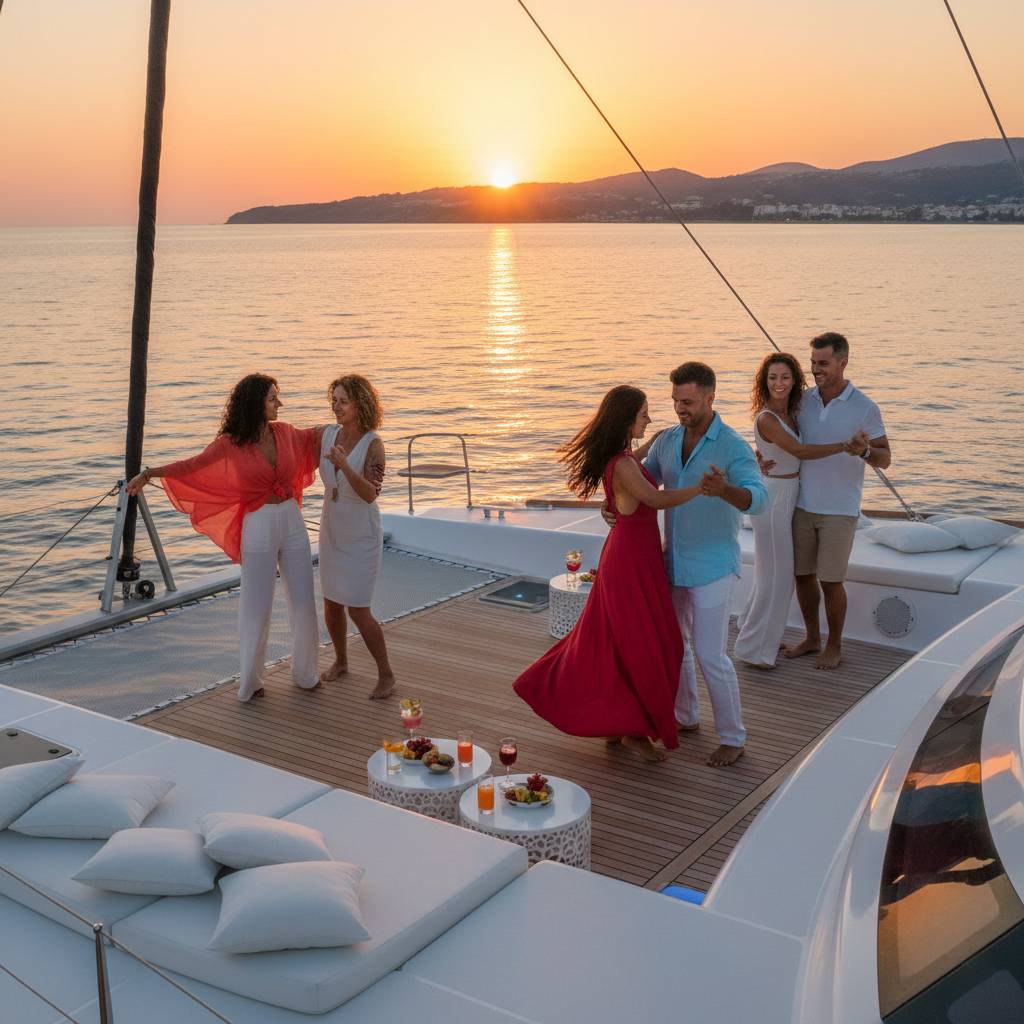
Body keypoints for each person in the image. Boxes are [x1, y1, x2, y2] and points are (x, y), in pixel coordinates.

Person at [513, 385, 700, 763]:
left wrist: (650, 447)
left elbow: (634, 472)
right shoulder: (625, 465)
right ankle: (635, 730)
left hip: (633, 557)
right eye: (644, 413)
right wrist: (704, 489)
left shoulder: (624, 458)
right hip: (630, 562)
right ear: (627, 419)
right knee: (648, 644)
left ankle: (618, 726)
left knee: (622, 643)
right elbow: (657, 499)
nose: (649, 418)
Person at [126, 374, 321, 702]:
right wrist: (150, 473)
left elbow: (318, 438)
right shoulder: (230, 443)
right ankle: (251, 681)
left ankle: (306, 673)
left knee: (303, 599)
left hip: (292, 522)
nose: (280, 404)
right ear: (255, 402)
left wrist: (354, 427)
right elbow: (193, 465)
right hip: (258, 525)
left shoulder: (286, 433)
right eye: (274, 398)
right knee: (256, 604)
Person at [632, 361, 769, 767]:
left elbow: (760, 499)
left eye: (688, 401)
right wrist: (615, 506)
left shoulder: (732, 446)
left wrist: (724, 489)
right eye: (675, 401)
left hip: (713, 567)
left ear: (710, 397)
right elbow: (641, 483)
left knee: (712, 655)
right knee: (676, 648)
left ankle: (733, 737)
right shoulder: (667, 440)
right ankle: (686, 716)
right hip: (672, 563)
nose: (680, 409)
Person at [734, 353, 855, 669]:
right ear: (764, 381)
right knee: (779, 576)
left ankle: (749, 627)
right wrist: (844, 446)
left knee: (768, 572)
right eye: (772, 377)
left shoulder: (791, 414)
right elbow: (799, 451)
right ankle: (754, 650)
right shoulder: (768, 418)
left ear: (794, 382)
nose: (778, 383)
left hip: (789, 494)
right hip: (773, 498)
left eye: (785, 377)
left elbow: (777, 450)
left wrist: (756, 459)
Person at [783, 331, 890, 670]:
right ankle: (812, 637)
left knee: (831, 582)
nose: (816, 369)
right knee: (802, 575)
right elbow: (785, 438)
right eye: (813, 363)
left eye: (823, 363)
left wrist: (865, 451)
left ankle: (834, 644)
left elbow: (885, 458)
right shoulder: (801, 400)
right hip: (802, 504)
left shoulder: (864, 407)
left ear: (843, 362)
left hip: (840, 510)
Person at [318, 374, 394, 700]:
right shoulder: (328, 434)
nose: (336, 407)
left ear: (360, 403)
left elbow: (369, 494)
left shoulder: (373, 444)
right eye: (333, 400)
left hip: (361, 533)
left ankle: (386, 675)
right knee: (332, 603)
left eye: (343, 401)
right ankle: (341, 660)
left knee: (358, 609)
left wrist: (345, 466)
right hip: (332, 526)